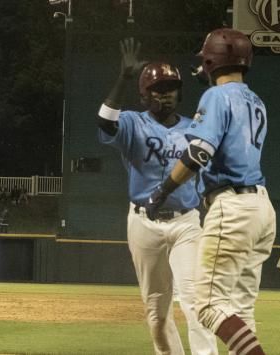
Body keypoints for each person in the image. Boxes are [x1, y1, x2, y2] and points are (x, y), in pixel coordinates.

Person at [144, 28, 275, 355]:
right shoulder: (256, 101)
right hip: (261, 209)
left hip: (232, 207)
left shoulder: (217, 96)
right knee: (241, 311)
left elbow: (198, 153)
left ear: (211, 59)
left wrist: (163, 190)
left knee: (207, 306)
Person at [96, 38, 218, 355]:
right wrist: (123, 78)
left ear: (179, 92)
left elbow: (206, 172)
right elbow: (105, 123)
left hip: (186, 223)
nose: (164, 94)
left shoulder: (196, 128)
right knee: (157, 313)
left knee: (195, 299)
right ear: (144, 95)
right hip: (143, 224)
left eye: (170, 88)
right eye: (156, 89)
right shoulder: (133, 123)